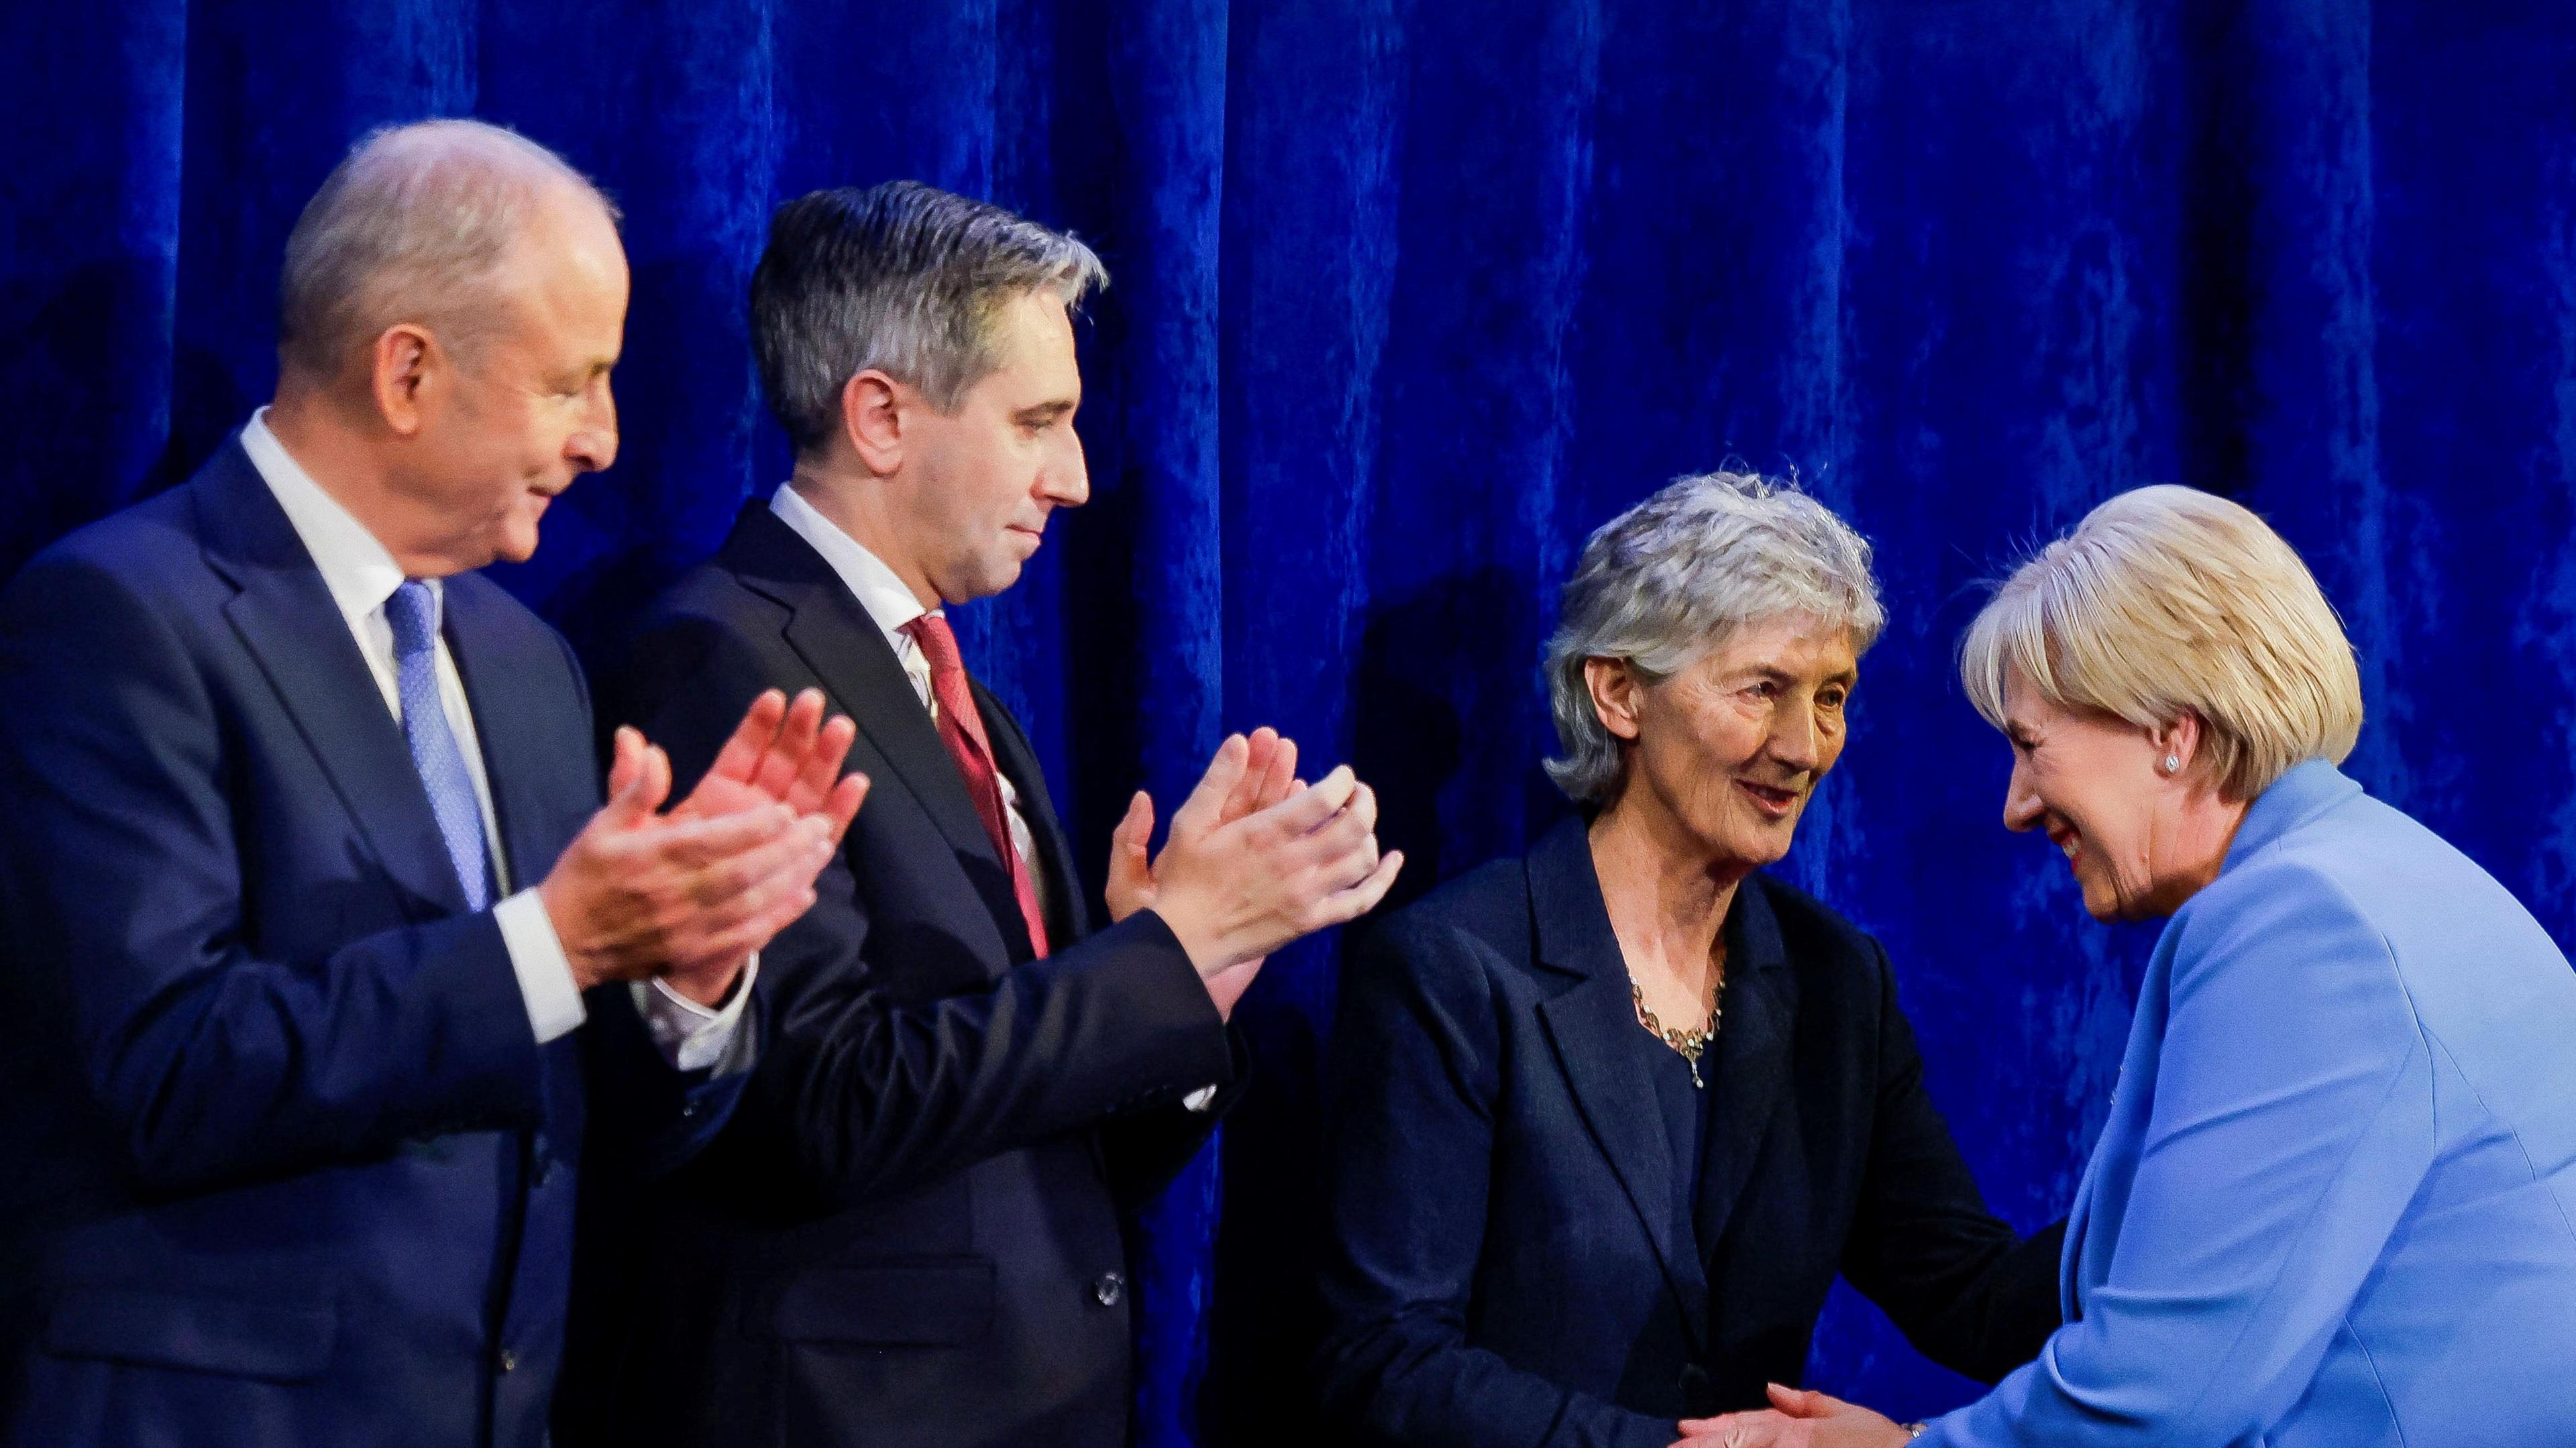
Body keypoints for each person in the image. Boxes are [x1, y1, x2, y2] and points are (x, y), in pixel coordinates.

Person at [0, 120, 864, 1448]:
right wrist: (555, 942)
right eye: (573, 383)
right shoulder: (115, 617)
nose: (606, 441)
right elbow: (166, 1071)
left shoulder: (530, 668)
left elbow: (576, 1117)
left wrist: (685, 978)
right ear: (407, 373)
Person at [566, 180, 1404, 1448]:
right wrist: (1155, 960)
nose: (1074, 477)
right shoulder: (717, 659)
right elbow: (817, 1106)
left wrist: (1188, 987)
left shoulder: (962, 694)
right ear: (883, 417)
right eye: (1040, 422)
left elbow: (1033, 1145)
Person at [1682, 486, 2576, 1448]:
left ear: (2171, 733)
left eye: (2032, 745)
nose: (2017, 805)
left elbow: (2166, 1403)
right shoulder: (2386, 870)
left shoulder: (2303, 926)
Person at [1314, 472, 2063, 1448]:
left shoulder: (1839, 985)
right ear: (1619, 692)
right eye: (1764, 689)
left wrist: (2189, 1215)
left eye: (1831, 697)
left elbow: (1972, 1294)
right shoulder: (1456, 970)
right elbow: (1386, 1362)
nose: (1804, 747)